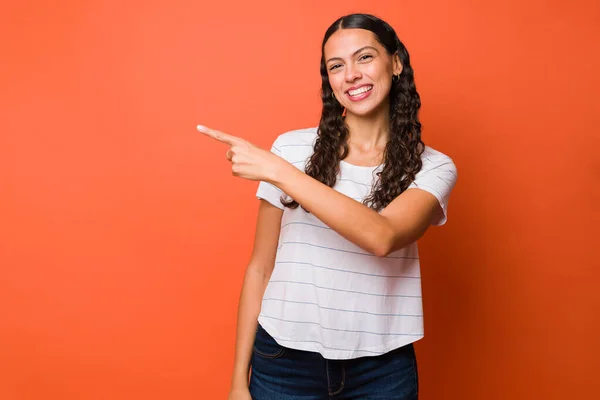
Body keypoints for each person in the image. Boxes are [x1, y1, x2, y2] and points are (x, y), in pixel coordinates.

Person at [198, 13, 458, 400]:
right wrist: (239, 379)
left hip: (382, 370)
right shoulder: (291, 149)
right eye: (336, 66)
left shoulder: (434, 167)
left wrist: (280, 173)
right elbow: (261, 266)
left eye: (364, 58)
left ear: (396, 63)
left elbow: (381, 236)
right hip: (282, 360)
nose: (350, 74)